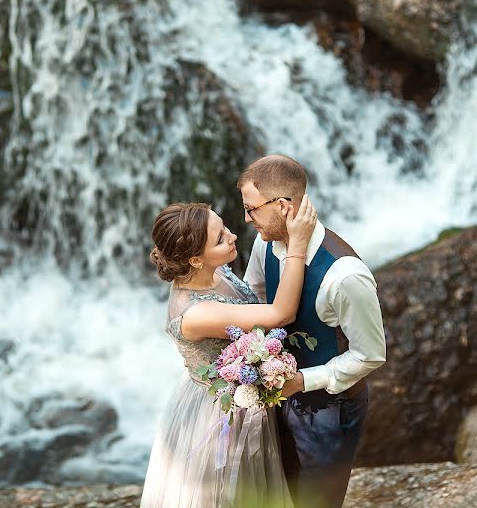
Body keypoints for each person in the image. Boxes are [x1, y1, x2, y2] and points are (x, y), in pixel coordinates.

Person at [139, 195, 317, 508]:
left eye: (224, 229)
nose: (233, 236)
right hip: (221, 412)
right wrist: (298, 245)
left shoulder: (212, 271)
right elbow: (280, 314)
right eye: (221, 238)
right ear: (195, 259)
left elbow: (246, 303)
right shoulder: (195, 313)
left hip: (240, 391)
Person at [239, 154, 387, 508]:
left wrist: (303, 381)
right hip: (276, 399)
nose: (246, 218)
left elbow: (370, 355)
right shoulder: (264, 244)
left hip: (329, 411)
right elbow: (253, 299)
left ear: (284, 206)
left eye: (252, 209)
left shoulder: (345, 277)